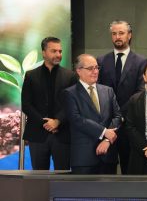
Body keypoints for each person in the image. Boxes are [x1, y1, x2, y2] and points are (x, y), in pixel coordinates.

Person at [97, 20, 147, 174]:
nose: (117, 37)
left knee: (130, 173)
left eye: (121, 33)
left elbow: (139, 93)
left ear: (129, 35)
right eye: (114, 33)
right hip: (106, 126)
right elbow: (98, 91)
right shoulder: (101, 61)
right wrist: (112, 119)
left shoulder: (141, 62)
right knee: (106, 174)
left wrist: (119, 116)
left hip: (129, 126)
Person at [21, 36, 78, 170]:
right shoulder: (31, 75)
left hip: (62, 134)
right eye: (54, 51)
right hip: (37, 134)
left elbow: (72, 104)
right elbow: (26, 105)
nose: (58, 54)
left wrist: (58, 121)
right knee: (39, 177)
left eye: (60, 51)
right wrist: (45, 123)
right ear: (44, 53)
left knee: (62, 176)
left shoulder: (70, 76)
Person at [66, 54, 121, 174]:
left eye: (97, 67)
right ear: (79, 71)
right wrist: (104, 131)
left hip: (108, 156)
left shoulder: (108, 91)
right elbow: (76, 119)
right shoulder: (70, 93)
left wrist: (107, 140)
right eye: (90, 68)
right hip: (84, 159)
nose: (95, 71)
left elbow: (118, 116)